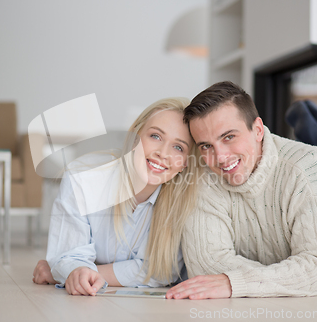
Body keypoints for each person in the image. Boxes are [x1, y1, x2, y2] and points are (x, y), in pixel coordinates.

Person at [165, 81, 317, 299]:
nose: (220, 157)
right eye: (206, 146)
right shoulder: (202, 178)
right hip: (297, 212)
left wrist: (234, 281)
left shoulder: (312, 166)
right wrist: (299, 277)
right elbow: (207, 266)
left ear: (258, 129)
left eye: (229, 137)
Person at [33, 97, 200, 295]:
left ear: (186, 163)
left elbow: (160, 270)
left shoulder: (186, 200)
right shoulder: (83, 178)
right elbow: (68, 254)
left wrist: (74, 273)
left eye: (178, 147)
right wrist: (74, 270)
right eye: (155, 136)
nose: (163, 153)